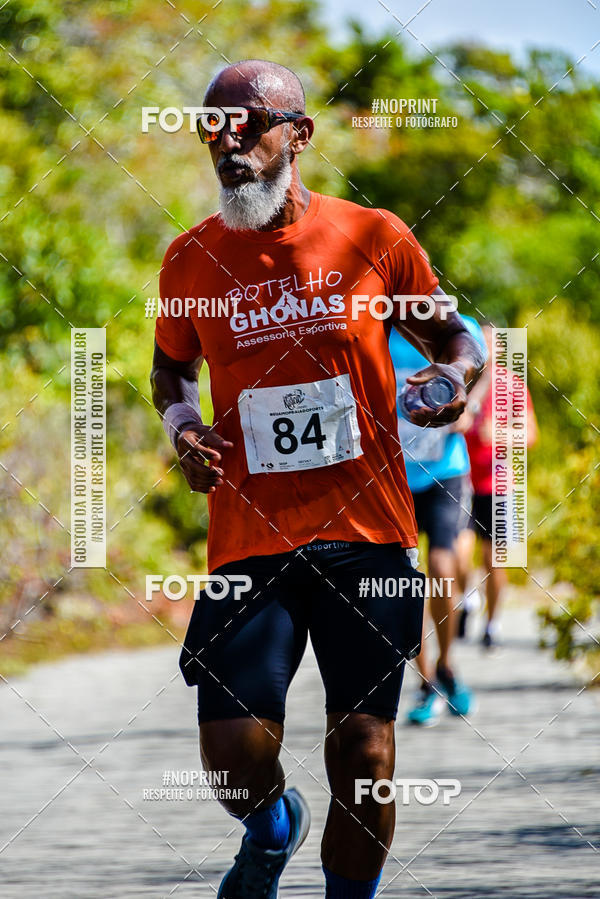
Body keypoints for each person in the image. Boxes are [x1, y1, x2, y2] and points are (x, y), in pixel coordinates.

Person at [150, 59, 484, 899]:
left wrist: (451, 384)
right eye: (209, 128)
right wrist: (182, 425)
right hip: (248, 539)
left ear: (298, 134)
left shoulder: (374, 236)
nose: (226, 145)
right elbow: (170, 376)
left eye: (247, 126)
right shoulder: (189, 260)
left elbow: (458, 344)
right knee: (231, 756)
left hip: (365, 534)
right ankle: (270, 828)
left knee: (366, 754)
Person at [389, 316, 487, 727]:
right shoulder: (377, 324)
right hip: (393, 472)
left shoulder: (457, 325)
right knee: (403, 579)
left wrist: (472, 404)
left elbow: (487, 362)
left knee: (443, 567)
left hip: (444, 469)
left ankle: (446, 664)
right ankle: (426, 680)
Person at [455, 325, 538, 648]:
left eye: (492, 344)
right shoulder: (462, 382)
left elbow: (531, 435)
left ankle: (492, 623)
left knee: (495, 559)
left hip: (499, 484)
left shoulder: (513, 387)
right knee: (459, 551)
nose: (487, 350)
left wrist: (501, 435)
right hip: (462, 481)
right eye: (481, 344)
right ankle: (468, 596)